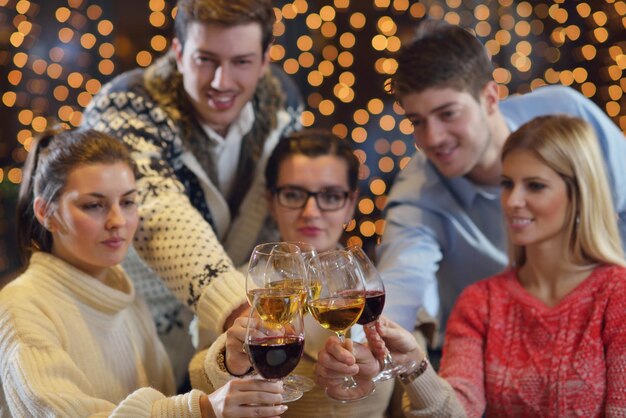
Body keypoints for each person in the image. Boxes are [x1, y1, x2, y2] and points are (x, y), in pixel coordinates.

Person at [316, 115, 626, 417]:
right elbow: (457, 412)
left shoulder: (617, 294)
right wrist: (414, 364)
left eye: (534, 186)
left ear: (579, 195)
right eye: (507, 183)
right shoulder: (481, 302)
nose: (512, 200)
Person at [81, 0, 302, 385]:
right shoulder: (126, 105)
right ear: (179, 53)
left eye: (242, 62)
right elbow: (159, 213)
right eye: (206, 60)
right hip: (135, 338)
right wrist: (239, 311)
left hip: (233, 353)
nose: (221, 82)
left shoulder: (283, 101)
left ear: (266, 59)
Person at [0, 128, 289, 418]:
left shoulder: (122, 293)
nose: (117, 221)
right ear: (45, 213)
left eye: (127, 202)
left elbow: (164, 398)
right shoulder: (20, 308)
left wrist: (232, 367)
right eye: (94, 205)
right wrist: (200, 409)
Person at [377, 19, 626, 348]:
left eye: (448, 113)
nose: (432, 138)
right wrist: (365, 348)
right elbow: (400, 288)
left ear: (491, 97)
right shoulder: (419, 190)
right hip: (494, 351)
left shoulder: (566, 115)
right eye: (417, 122)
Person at [189, 130, 395, 417]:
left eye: (331, 196)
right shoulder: (232, 290)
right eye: (294, 194)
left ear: (350, 204)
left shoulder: (383, 285)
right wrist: (229, 365)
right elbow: (199, 392)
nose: (311, 211)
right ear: (271, 202)